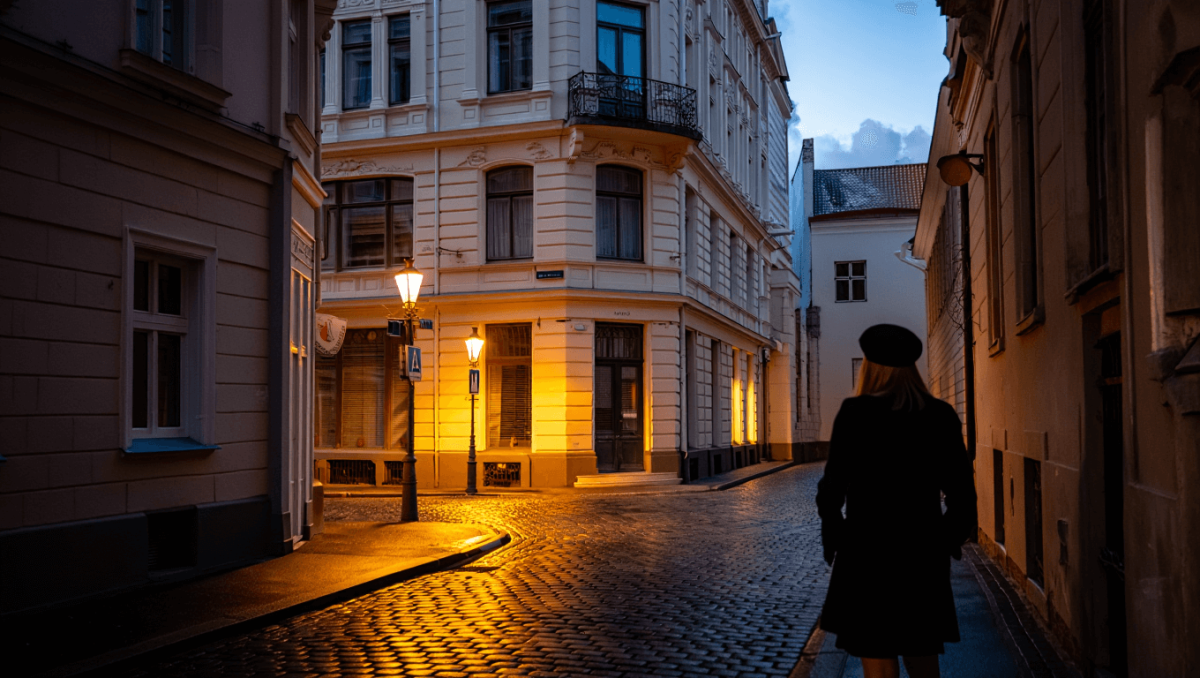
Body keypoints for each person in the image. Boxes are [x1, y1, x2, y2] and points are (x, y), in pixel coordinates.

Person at [815, 324, 977, 678]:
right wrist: (943, 540)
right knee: (923, 663)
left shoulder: (855, 414)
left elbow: (832, 489)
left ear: (870, 366)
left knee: (879, 666)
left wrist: (839, 536)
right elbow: (963, 496)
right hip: (921, 557)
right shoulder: (939, 415)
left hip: (867, 557)